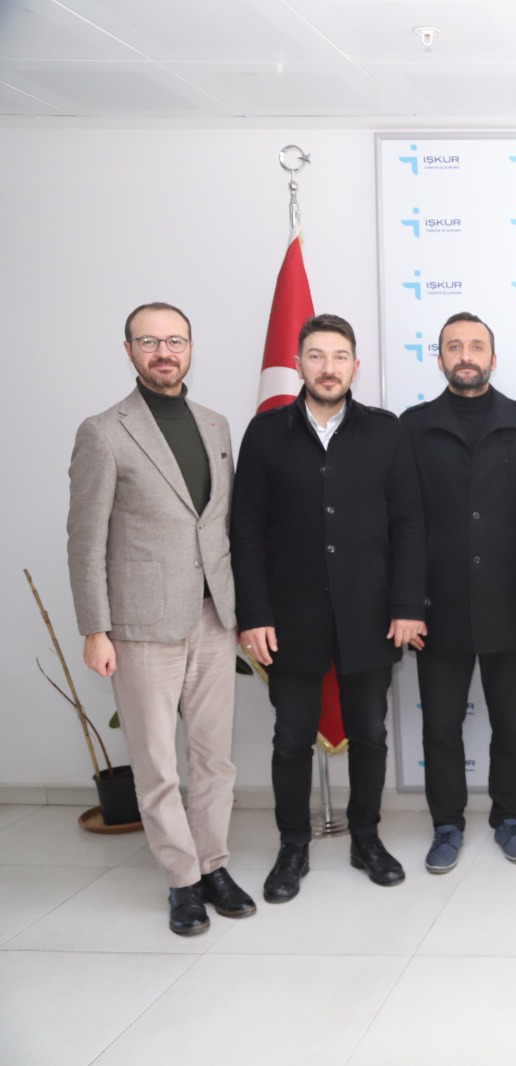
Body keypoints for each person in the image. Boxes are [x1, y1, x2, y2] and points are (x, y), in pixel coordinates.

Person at [67, 302, 255, 937]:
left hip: (213, 618)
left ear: (191, 348)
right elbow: (85, 540)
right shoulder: (103, 432)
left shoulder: (215, 425)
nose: (164, 352)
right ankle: (182, 881)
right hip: (141, 625)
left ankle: (214, 865)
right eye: (149, 342)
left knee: (214, 759)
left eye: (175, 340)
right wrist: (95, 628)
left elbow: (221, 525)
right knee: (156, 766)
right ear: (129, 350)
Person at [231, 313, 427, 902]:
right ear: (298, 364)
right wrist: (254, 614)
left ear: (355, 366)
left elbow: (409, 524)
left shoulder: (386, 432)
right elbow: (245, 530)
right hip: (290, 618)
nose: (328, 367)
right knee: (291, 737)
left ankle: (366, 838)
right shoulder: (266, 433)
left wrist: (408, 604)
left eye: (339, 357)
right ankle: (293, 845)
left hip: (371, 615)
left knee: (369, 733)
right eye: (316, 356)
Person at [401, 312, 516, 874]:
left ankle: (510, 819)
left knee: (511, 722)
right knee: (441, 725)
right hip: (438, 606)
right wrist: (408, 604)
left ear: (493, 357)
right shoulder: (413, 426)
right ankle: (447, 824)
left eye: (476, 346)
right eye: (454, 346)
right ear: (439, 358)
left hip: (513, 601)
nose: (466, 355)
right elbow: (405, 522)